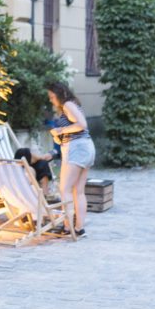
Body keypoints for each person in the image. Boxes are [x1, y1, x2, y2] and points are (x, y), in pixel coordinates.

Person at [47, 82, 96, 237]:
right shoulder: (71, 105)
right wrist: (58, 135)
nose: (50, 100)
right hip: (86, 147)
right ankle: (79, 228)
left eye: (51, 97)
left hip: (76, 148)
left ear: (59, 94)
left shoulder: (68, 105)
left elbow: (82, 124)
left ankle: (68, 227)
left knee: (65, 189)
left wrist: (60, 130)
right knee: (78, 191)